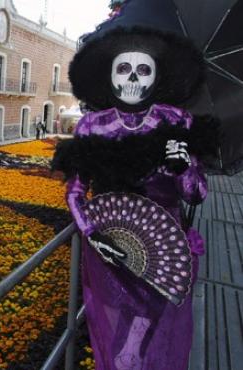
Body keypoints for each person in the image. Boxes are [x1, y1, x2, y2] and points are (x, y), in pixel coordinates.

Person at [51, 0, 218, 368]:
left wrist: (182, 167)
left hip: (166, 250)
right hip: (110, 249)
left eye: (143, 70)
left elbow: (197, 193)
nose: (132, 79)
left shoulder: (176, 121)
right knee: (116, 337)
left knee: (158, 338)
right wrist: (91, 231)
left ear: (156, 77)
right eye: (123, 69)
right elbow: (75, 191)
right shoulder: (93, 126)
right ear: (109, 76)